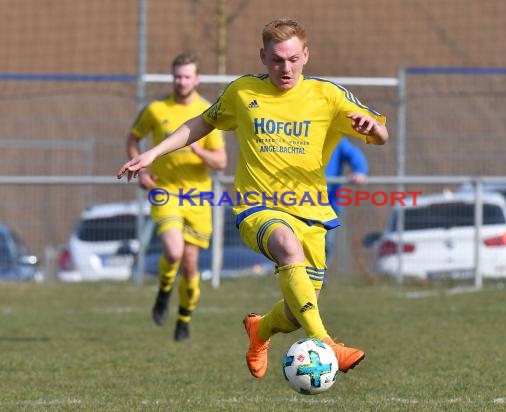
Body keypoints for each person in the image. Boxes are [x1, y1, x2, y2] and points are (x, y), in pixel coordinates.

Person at [118, 19, 388, 377]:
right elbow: (201, 122)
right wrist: (154, 153)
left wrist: (375, 130)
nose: (285, 68)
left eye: (293, 59)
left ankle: (259, 330)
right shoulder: (243, 92)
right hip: (257, 207)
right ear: (263, 56)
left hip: (313, 213)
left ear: (306, 56)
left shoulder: (329, 95)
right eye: (277, 60)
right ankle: (327, 345)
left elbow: (380, 133)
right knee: (286, 246)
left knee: (296, 310)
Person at [126, 52, 227, 342]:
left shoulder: (209, 112)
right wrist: (141, 170)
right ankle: (164, 290)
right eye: (177, 76)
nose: (181, 81)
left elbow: (221, 161)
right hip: (165, 191)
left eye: (187, 76)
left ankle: (183, 318)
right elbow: (133, 138)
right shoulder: (156, 109)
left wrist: (198, 150)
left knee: (191, 264)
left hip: (198, 197)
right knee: (173, 251)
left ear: (197, 79)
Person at [325, 136, 368, 266]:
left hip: (329, 203)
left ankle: (319, 277)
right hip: (300, 200)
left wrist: (360, 171)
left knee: (326, 243)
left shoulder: (334, 137)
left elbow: (353, 154)